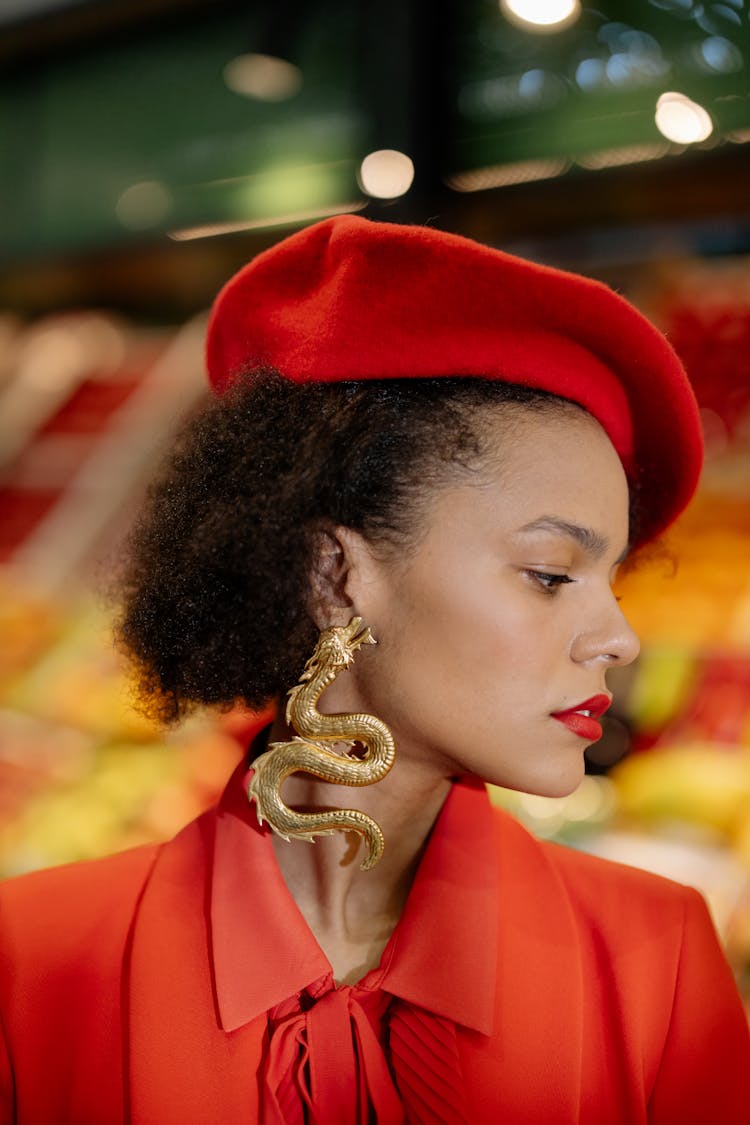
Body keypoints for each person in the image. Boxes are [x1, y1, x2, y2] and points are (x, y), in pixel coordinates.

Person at [1, 215, 748, 1124]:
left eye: (613, 580)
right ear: (334, 573)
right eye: (552, 574)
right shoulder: (31, 965)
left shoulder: (656, 957)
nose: (621, 639)